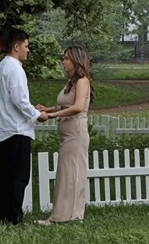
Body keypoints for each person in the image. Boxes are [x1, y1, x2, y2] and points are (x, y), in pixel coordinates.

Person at [0, 27, 45, 226]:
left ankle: (5, 216)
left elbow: (11, 99)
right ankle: (14, 218)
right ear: (16, 47)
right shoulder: (14, 68)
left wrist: (32, 108)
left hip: (3, 129)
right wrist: (37, 115)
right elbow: (19, 100)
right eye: (26, 46)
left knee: (5, 176)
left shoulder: (0, 68)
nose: (28, 50)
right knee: (18, 177)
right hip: (16, 130)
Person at [39, 45, 93, 224]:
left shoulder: (82, 81)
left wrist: (52, 115)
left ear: (76, 61)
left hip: (76, 133)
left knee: (71, 174)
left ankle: (64, 216)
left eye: (66, 59)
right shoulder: (71, 82)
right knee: (66, 174)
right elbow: (65, 106)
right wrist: (48, 109)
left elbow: (77, 107)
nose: (63, 62)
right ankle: (68, 214)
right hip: (66, 135)